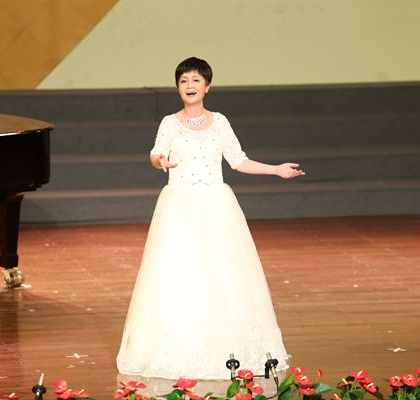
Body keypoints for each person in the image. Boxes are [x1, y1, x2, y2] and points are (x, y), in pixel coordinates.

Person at [116, 57, 305, 380]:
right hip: (179, 208)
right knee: (178, 274)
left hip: (216, 208)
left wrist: (276, 170)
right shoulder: (169, 123)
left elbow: (238, 160)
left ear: (207, 87)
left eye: (195, 80)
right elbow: (155, 154)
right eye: (183, 81)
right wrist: (160, 161)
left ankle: (227, 348)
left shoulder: (220, 122)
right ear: (178, 88)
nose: (189, 86)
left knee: (221, 274)